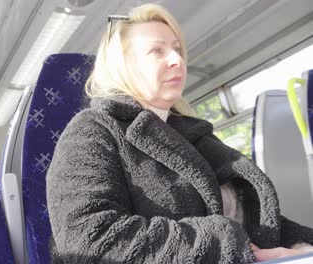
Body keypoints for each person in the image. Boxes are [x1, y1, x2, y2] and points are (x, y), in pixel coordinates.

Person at [46, 3, 313, 263]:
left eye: (177, 49)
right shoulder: (93, 130)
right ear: (122, 65)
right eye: (156, 51)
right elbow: (89, 239)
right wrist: (228, 243)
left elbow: (254, 217)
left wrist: (301, 246)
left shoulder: (194, 134)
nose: (177, 60)